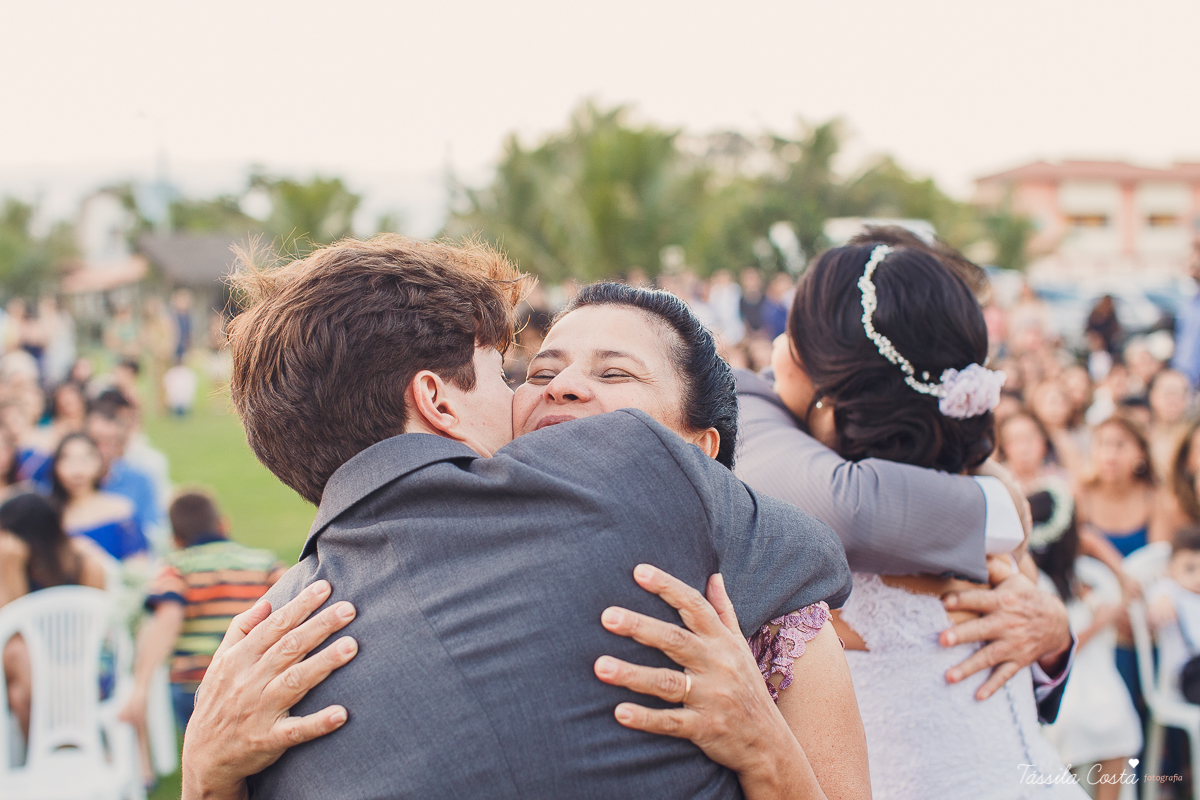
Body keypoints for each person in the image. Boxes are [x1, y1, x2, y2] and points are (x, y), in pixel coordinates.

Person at [180, 236, 859, 800]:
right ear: (437, 403)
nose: (547, 389)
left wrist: (204, 777)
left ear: (702, 450)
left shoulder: (262, 650)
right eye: (523, 373)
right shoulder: (640, 468)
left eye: (616, 374)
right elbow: (826, 554)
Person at [739, 234, 1079, 798]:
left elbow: (1023, 701)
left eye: (790, 335)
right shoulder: (981, 518)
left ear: (820, 378)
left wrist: (1054, 638)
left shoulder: (812, 564)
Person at [120, 491, 282, 782]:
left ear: (174, 539)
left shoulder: (177, 567)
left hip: (195, 686)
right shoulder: (262, 563)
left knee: (213, 764)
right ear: (224, 524)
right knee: (261, 762)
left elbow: (166, 623)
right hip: (251, 677)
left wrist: (141, 686)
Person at [1032, 483, 1142, 800]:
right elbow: (1055, 652)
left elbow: (1129, 628)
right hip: (1067, 689)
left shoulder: (1086, 575)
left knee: (1117, 722)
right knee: (1077, 727)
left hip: (1101, 683)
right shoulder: (1040, 585)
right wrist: (1099, 622)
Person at [0, 492, 108, 737]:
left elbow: (95, 627)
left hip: (80, 659)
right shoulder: (10, 563)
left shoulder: (84, 564)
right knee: (18, 652)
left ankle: (56, 750)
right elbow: (12, 626)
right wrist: (10, 570)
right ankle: (68, 744)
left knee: (19, 695)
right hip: (30, 664)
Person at [51, 432, 147, 562]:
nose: (77, 470)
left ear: (99, 462)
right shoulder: (48, 514)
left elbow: (139, 564)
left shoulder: (121, 510)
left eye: (85, 459)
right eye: (68, 459)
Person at [1147, 525, 1200, 705]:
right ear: (1170, 569)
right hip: (1188, 676)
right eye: (1190, 568)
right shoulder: (1170, 591)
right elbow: (1158, 599)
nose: (1198, 577)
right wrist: (1163, 596)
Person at [996, 410, 1063, 492]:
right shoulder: (997, 483)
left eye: (1029, 439)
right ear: (1004, 446)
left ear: (1043, 441)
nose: (1023, 448)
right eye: (1015, 440)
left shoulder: (1060, 482)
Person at [1147, 368, 1192, 480]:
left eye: (1180, 393)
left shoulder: (1193, 441)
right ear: (1153, 396)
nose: (1174, 400)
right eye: (1168, 393)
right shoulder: (1142, 438)